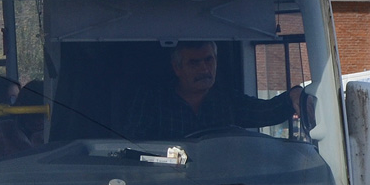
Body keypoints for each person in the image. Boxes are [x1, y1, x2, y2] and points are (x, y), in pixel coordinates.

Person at [127, 40, 308, 140]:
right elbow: (138, 147)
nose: (204, 69)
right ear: (177, 68)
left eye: (209, 60)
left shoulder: (227, 100)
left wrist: (294, 96)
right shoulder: (152, 101)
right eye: (194, 63)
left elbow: (265, 112)